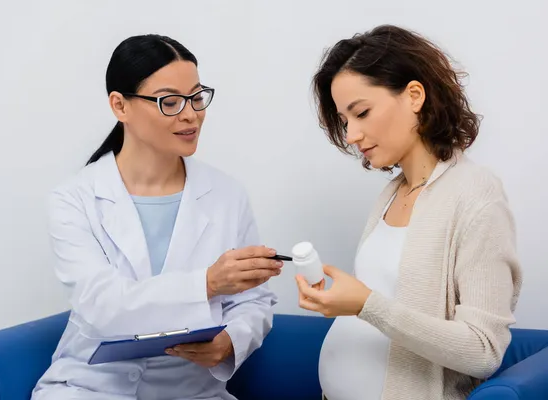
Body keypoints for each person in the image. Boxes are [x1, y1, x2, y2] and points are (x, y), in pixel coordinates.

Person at [31, 34, 280, 400]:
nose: (191, 114)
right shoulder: (74, 199)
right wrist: (208, 283)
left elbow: (254, 301)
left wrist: (230, 342)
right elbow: (103, 306)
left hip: (192, 390)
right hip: (92, 388)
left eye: (196, 97)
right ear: (120, 105)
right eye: (169, 101)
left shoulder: (227, 195)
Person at [296, 24, 523, 400]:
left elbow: (483, 350)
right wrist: (344, 302)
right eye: (344, 120)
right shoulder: (391, 193)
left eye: (361, 112)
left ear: (414, 95)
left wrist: (366, 304)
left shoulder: (476, 194)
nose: (351, 135)